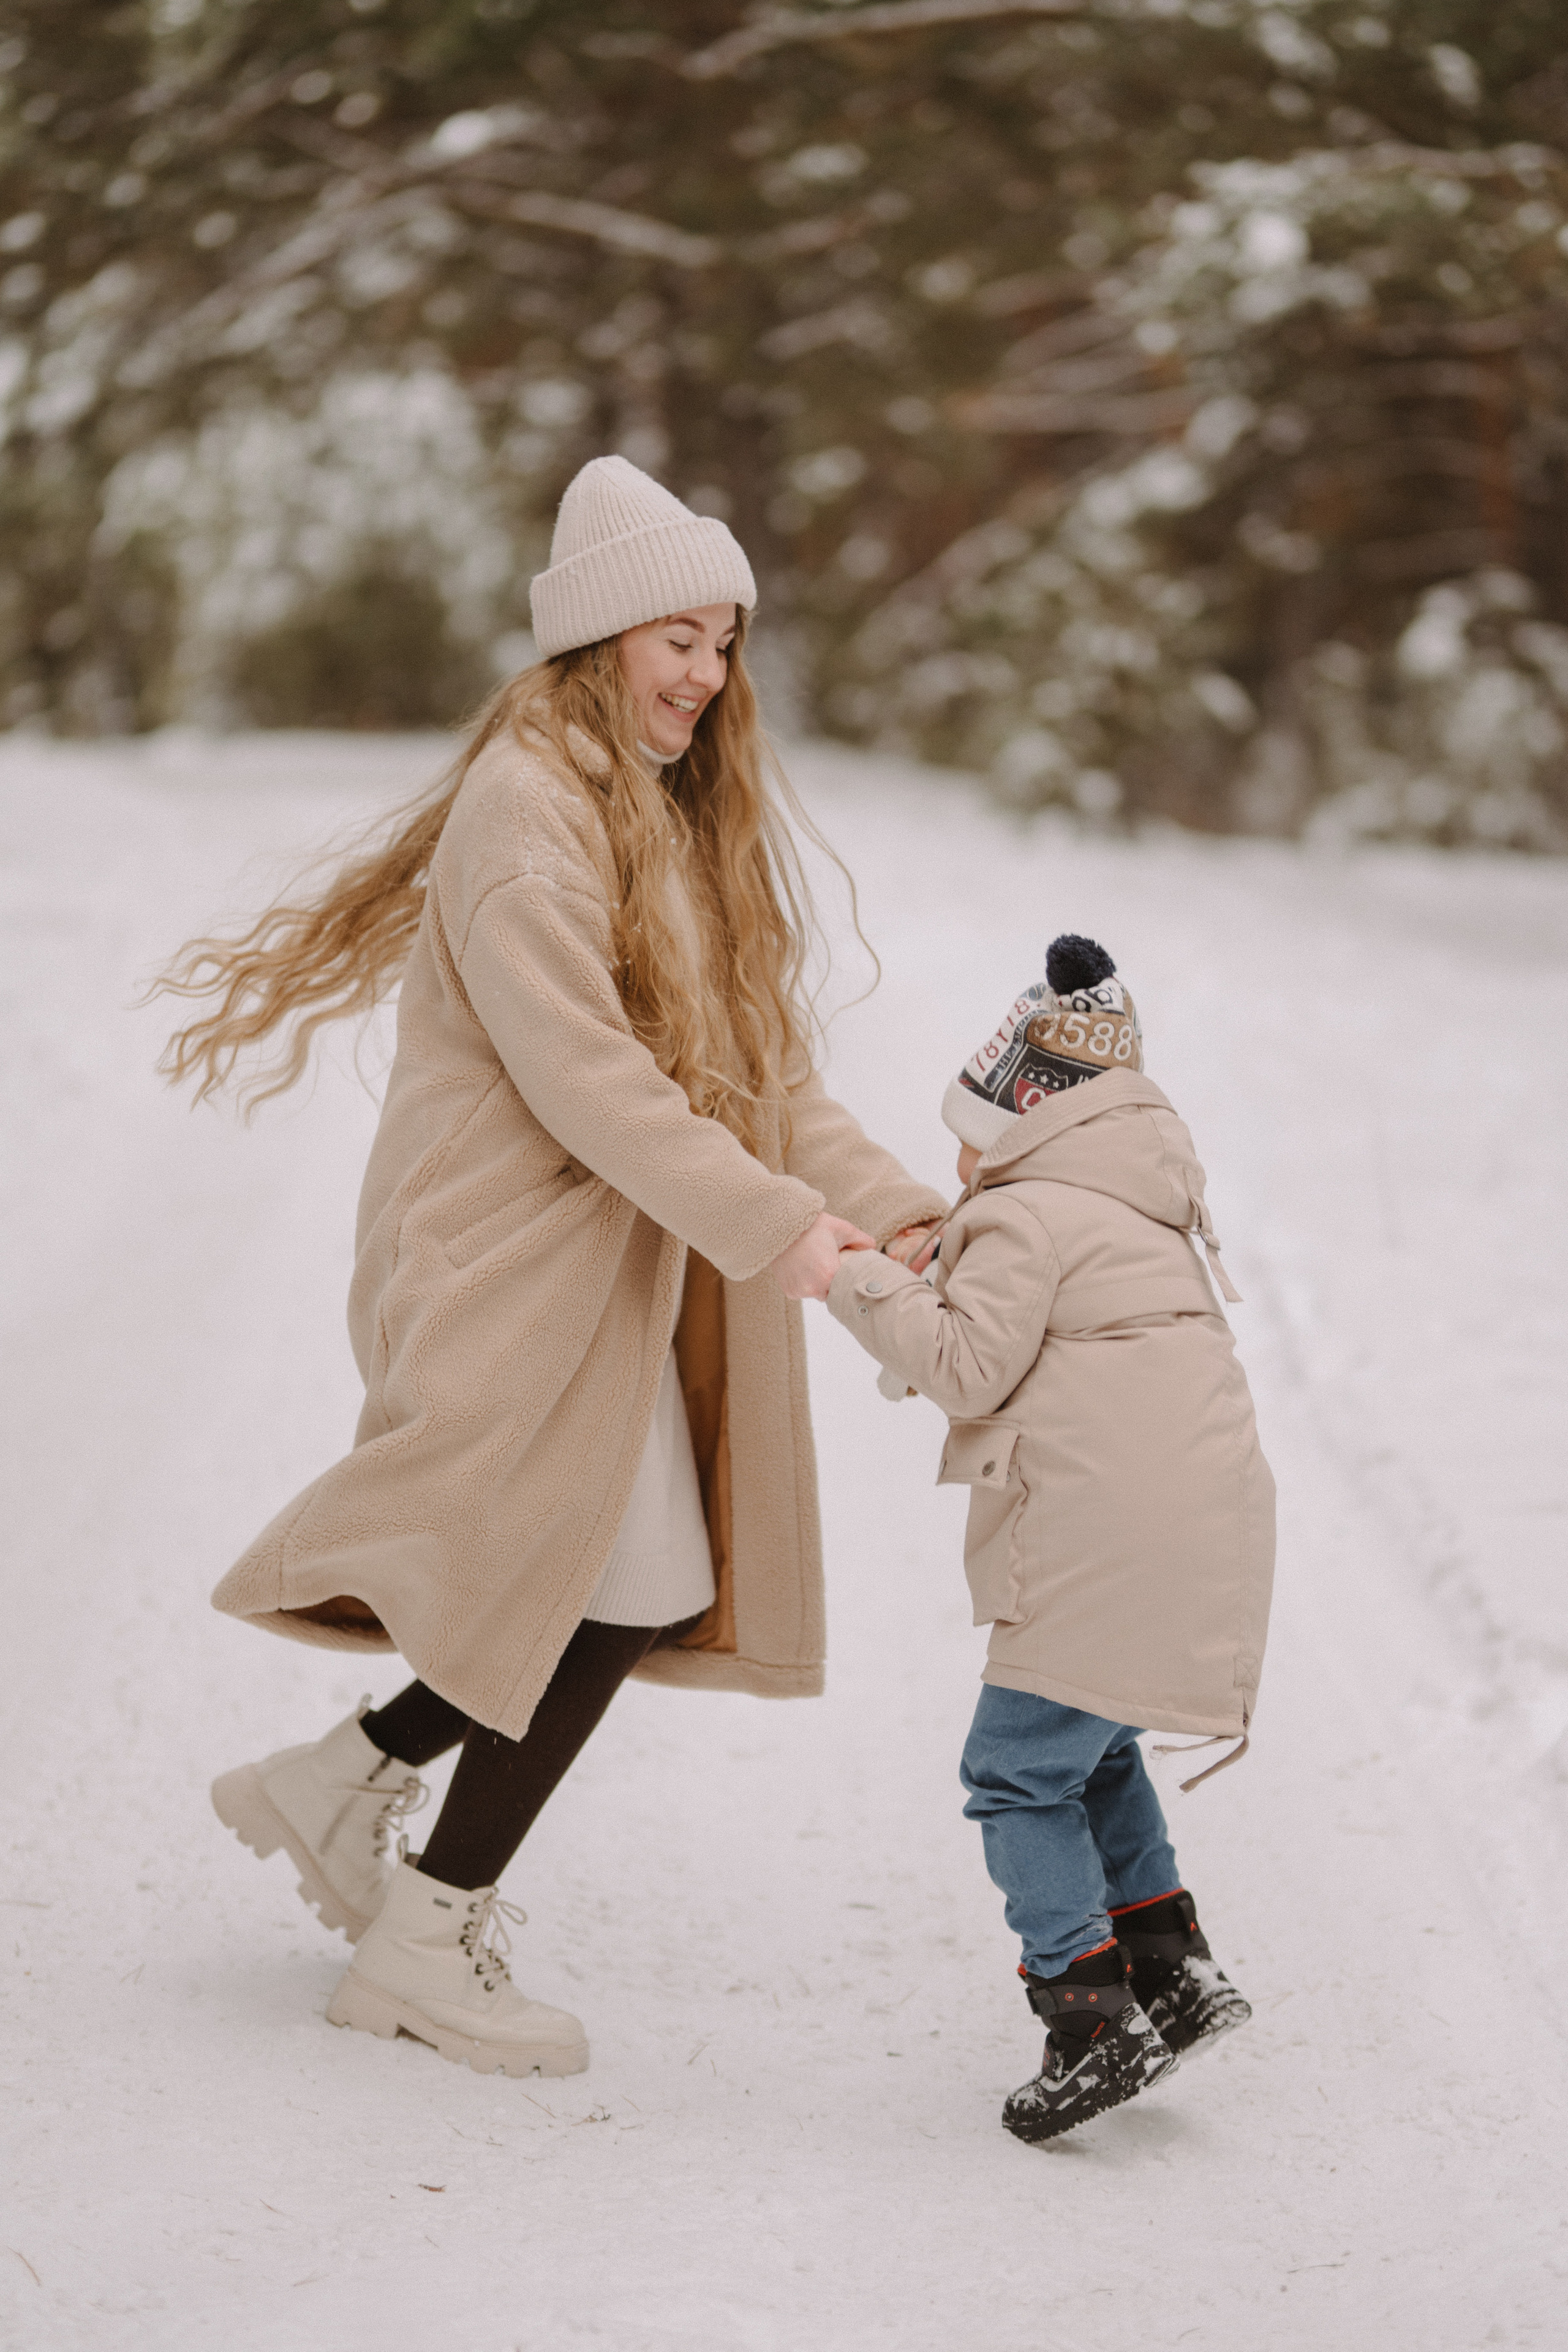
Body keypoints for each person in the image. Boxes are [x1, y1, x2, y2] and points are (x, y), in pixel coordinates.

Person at [160, 456, 948, 2080]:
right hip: (506, 1256)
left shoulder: (659, 814)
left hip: (604, 1264)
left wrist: (893, 1205)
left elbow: (767, 1072)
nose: (705, 676)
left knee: (601, 1578)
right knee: (619, 1580)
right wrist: (787, 1235)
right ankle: (425, 1937)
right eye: (677, 636)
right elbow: (593, 1082)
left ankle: (347, 1786)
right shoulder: (528, 812)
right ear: (595, 637)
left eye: (724, 644)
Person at [822, 932, 1275, 2144]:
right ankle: (1171, 1969)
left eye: (968, 1134)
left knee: (1015, 1770)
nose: (955, 1159)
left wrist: (850, 1282)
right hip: (1198, 1512)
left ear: (1027, 1125)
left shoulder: (1023, 1214)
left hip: (1100, 1530)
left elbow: (968, 1362)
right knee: (1094, 1736)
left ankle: (1087, 2013)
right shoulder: (1133, 1206)